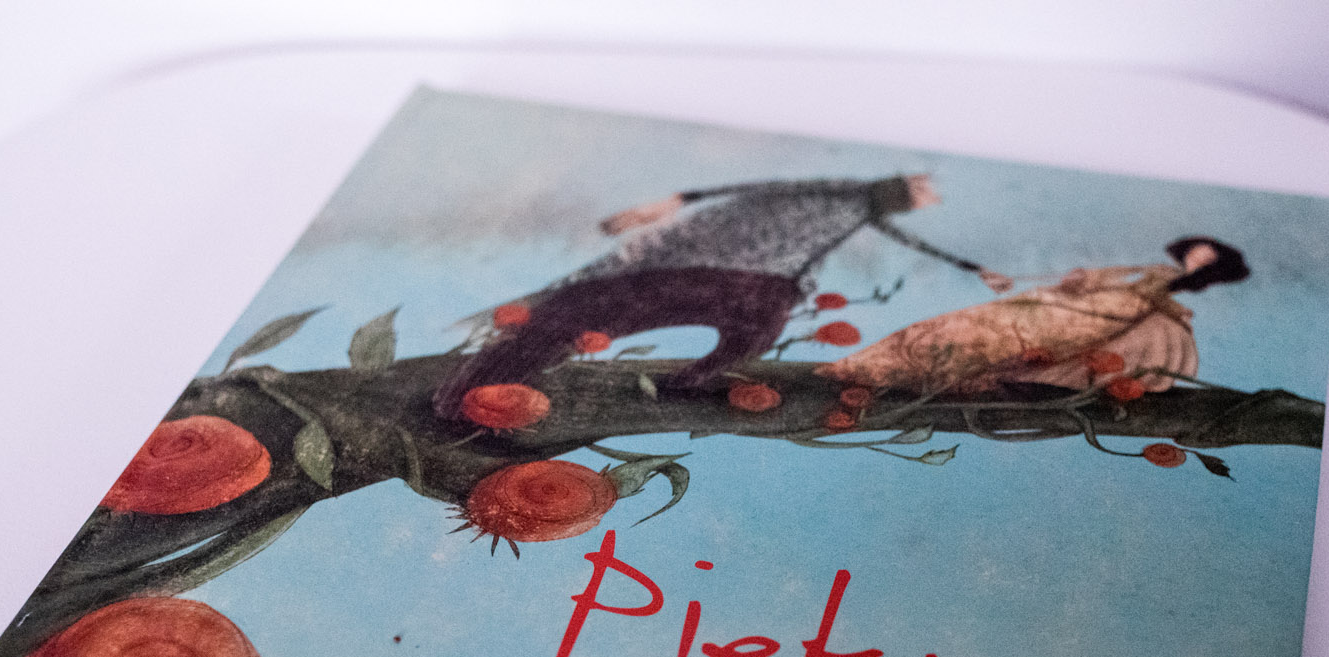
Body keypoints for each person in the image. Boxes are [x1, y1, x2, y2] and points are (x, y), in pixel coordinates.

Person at [432, 176, 1012, 417]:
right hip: (721, 260)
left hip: (769, 277)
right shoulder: (840, 190)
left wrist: (975, 268)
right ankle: (481, 386)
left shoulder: (865, 214)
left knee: (756, 330)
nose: (922, 201)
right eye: (918, 191)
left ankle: (688, 382)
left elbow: (909, 239)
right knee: (602, 311)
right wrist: (672, 202)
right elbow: (756, 186)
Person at [816, 237, 1249, 396]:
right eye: (1199, 250)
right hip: (1079, 306)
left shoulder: (1168, 287)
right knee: (978, 323)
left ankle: (893, 376)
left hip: (1097, 317)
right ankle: (865, 367)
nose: (1199, 256)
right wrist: (1083, 279)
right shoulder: (1154, 271)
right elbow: (1111, 277)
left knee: (1002, 340)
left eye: (1207, 257)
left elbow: (1144, 299)